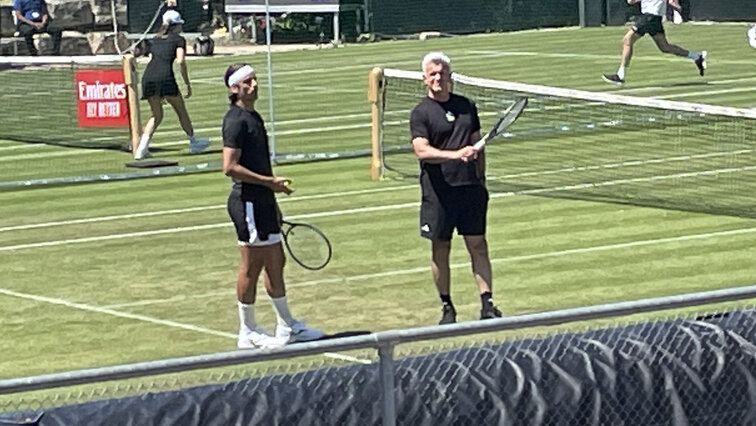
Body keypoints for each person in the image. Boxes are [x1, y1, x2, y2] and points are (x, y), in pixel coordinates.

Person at [222, 62, 324, 349]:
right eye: (248, 81)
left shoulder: (253, 117)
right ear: (235, 88)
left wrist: (273, 198)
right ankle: (248, 330)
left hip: (264, 202)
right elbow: (229, 167)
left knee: (276, 262)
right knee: (251, 267)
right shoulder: (235, 121)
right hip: (248, 203)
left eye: (254, 80)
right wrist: (269, 183)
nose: (254, 85)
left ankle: (287, 325)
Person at [409, 51, 503, 325]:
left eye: (442, 72)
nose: (438, 78)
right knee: (441, 249)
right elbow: (422, 151)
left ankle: (487, 304)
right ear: (425, 78)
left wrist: (481, 180)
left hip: (470, 190)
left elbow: (477, 144)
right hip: (439, 193)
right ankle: (447, 307)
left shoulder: (467, 106)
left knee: (478, 245)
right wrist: (455, 155)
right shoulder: (420, 113)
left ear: (450, 75)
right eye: (433, 73)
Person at [134, 10, 209, 160]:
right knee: (181, 111)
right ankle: (194, 142)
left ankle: (141, 149)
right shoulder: (178, 40)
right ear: (175, 26)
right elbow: (180, 61)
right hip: (165, 77)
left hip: (148, 77)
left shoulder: (155, 39)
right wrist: (186, 84)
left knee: (156, 115)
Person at [602, 0, 706, 85]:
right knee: (665, 47)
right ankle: (696, 56)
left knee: (627, 39)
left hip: (649, 17)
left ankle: (620, 75)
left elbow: (630, 1)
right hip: (655, 19)